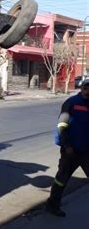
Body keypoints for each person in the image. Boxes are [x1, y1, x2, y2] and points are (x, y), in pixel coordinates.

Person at [46, 77, 89, 217]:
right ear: (81, 88)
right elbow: (62, 126)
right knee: (61, 178)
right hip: (70, 151)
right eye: (86, 88)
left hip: (86, 151)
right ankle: (52, 205)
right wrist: (67, 145)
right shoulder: (72, 103)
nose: (88, 91)